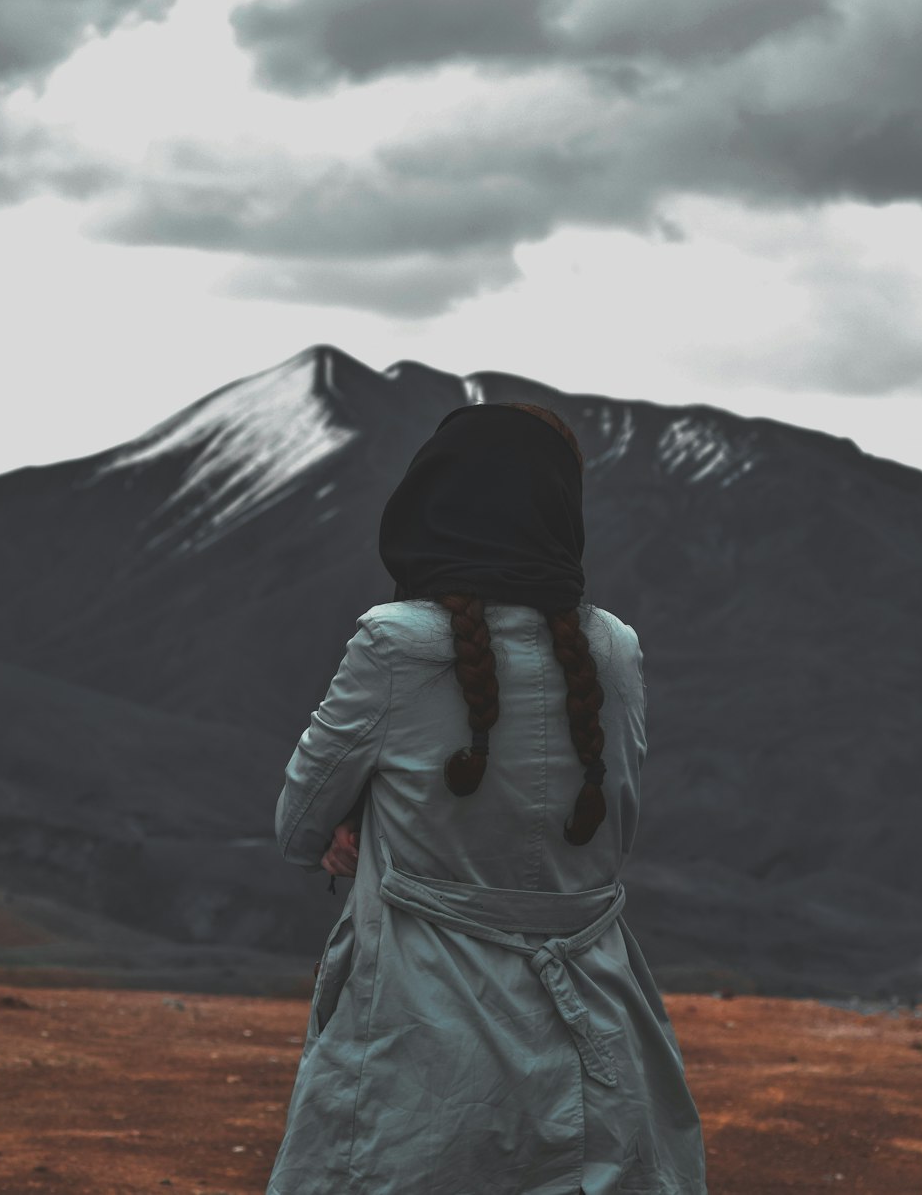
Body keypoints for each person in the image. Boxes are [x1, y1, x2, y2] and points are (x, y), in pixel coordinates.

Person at [265, 401, 708, 1195]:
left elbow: (299, 822)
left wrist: (360, 824)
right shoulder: (614, 647)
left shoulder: (394, 642)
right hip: (596, 1028)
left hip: (420, 1038)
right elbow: (615, 829)